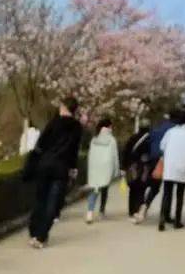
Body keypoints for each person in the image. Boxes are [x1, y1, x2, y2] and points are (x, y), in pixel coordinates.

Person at [28, 96, 83, 249]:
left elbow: (41, 143)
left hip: (45, 165)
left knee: (40, 199)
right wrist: (73, 168)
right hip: (62, 168)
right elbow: (74, 151)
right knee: (54, 202)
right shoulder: (77, 127)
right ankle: (41, 236)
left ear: (64, 107)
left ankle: (33, 231)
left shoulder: (54, 122)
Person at [157, 110, 185, 231]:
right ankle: (177, 221)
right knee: (180, 195)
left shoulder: (170, 132)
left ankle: (163, 219)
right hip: (183, 166)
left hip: (170, 166)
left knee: (167, 193)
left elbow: (162, 146)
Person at [133, 112, 174, 223]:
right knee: (168, 189)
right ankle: (165, 215)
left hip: (153, 160)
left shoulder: (155, 130)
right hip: (167, 160)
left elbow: (148, 143)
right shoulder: (173, 130)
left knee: (153, 186)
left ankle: (143, 208)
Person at [85, 117, 120, 224]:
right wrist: (116, 170)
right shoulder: (111, 140)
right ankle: (101, 211)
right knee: (104, 188)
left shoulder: (94, 139)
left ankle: (89, 212)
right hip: (106, 167)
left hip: (95, 167)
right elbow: (115, 156)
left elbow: (90, 154)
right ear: (109, 126)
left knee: (94, 189)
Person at [122, 123, 151, 220]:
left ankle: (131, 211)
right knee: (141, 189)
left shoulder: (132, 138)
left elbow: (125, 152)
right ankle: (138, 210)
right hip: (144, 168)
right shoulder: (149, 139)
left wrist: (124, 166)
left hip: (132, 167)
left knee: (133, 188)